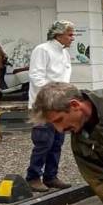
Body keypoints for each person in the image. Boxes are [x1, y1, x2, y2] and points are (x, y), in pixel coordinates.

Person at [26, 20, 75, 192]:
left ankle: (51, 176)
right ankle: (33, 177)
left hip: (59, 104)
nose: (72, 38)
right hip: (43, 105)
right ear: (58, 34)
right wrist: (57, 93)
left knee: (57, 142)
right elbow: (36, 77)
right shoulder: (42, 50)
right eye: (70, 34)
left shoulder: (64, 53)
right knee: (43, 142)